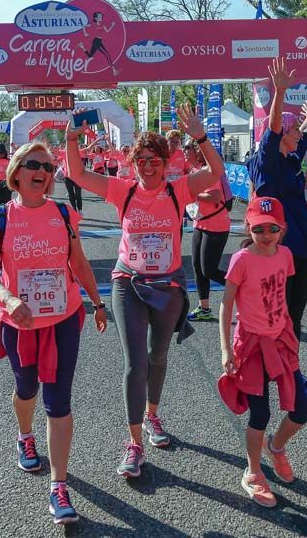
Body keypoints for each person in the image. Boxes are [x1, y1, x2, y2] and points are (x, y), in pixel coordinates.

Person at [65, 104, 224, 477]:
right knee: (135, 363)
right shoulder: (122, 190)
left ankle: (153, 416)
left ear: (166, 162)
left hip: (167, 285)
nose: (149, 167)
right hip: (128, 284)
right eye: (142, 160)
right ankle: (134, 443)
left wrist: (201, 136)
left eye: (155, 160)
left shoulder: (179, 189)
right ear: (133, 163)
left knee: (158, 357)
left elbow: (216, 172)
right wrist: (72, 135)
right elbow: (75, 172)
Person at [0, 142, 107, 525]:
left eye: (49, 167)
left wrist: (98, 303)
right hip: (20, 321)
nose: (44, 172)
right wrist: (7, 296)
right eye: (35, 165)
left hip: (63, 317)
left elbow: (78, 261)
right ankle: (24, 435)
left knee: (58, 399)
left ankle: (58, 487)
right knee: (26, 389)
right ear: (16, 172)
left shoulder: (65, 212)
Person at [219, 197, 307, 507]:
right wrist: (225, 349)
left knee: (301, 411)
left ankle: (277, 446)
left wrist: (287, 328)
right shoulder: (242, 259)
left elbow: (281, 294)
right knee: (261, 413)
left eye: (273, 228)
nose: (266, 234)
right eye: (259, 228)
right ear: (248, 227)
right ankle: (253, 472)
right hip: (253, 344)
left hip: (280, 340)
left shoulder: (285, 255)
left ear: (282, 229)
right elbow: (226, 303)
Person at [246, 56, 307, 399]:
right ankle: (269, 372)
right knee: (274, 316)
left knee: (293, 317)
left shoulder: (291, 157)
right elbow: (275, 127)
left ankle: (288, 371)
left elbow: (301, 136)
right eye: (292, 131)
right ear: (281, 135)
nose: (298, 135)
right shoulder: (269, 159)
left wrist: (306, 118)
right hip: (277, 252)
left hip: (302, 250)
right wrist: (279, 93)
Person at [183, 141, 231, 322]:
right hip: (200, 222)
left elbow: (216, 196)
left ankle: (243, 288)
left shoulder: (207, 171)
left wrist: (192, 194)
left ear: (198, 152)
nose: (185, 153)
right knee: (197, 266)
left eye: (188, 150)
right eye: (184, 150)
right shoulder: (193, 171)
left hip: (216, 224)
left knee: (209, 269)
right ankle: (204, 308)